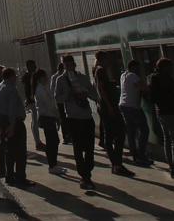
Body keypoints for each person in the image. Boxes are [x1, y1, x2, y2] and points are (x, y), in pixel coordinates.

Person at [55, 54, 99, 190]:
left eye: (70, 64)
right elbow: (57, 99)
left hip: (86, 116)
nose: (69, 67)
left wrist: (86, 94)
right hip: (73, 118)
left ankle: (88, 170)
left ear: (74, 64)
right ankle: (84, 176)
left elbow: (94, 94)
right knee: (78, 148)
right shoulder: (60, 80)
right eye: (66, 65)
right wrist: (68, 94)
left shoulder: (83, 78)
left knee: (90, 147)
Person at [93, 51, 132, 177]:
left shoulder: (97, 69)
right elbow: (102, 89)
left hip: (104, 106)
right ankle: (116, 164)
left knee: (112, 135)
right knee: (117, 134)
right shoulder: (100, 70)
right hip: (108, 106)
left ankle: (116, 163)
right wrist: (109, 106)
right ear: (103, 59)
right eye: (107, 58)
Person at [0, 68, 32, 187]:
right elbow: (12, 109)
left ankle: (9, 176)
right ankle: (20, 177)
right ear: (10, 76)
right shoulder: (11, 89)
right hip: (14, 123)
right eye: (15, 76)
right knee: (20, 152)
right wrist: (12, 126)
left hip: (4, 121)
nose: (16, 78)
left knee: (9, 151)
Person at [119, 59, 152, 166]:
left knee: (131, 132)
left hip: (123, 105)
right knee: (144, 130)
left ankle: (135, 155)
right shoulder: (133, 76)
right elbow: (144, 88)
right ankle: (141, 155)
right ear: (134, 67)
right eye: (138, 68)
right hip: (133, 107)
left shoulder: (123, 75)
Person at [33, 69, 64, 174]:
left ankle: (53, 164)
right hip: (47, 117)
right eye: (45, 76)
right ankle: (52, 165)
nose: (46, 78)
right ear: (40, 78)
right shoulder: (40, 89)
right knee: (52, 141)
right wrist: (57, 116)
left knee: (53, 141)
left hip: (49, 117)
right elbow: (49, 105)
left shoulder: (43, 87)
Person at [23, 59, 41, 148]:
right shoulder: (28, 76)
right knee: (35, 121)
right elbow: (27, 90)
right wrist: (29, 99)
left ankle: (37, 140)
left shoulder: (32, 75)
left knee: (35, 121)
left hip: (33, 100)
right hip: (32, 101)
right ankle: (37, 142)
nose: (35, 67)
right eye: (33, 65)